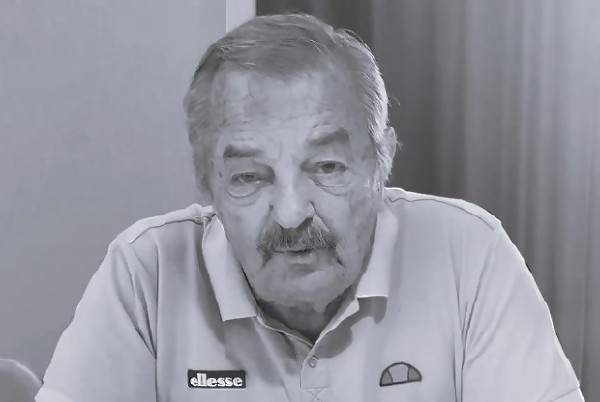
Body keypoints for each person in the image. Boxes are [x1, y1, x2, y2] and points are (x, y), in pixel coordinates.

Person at [36, 14, 584, 402]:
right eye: (250, 177)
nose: (292, 213)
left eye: (326, 167)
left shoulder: (468, 253)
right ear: (207, 182)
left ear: (381, 161)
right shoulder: (146, 273)